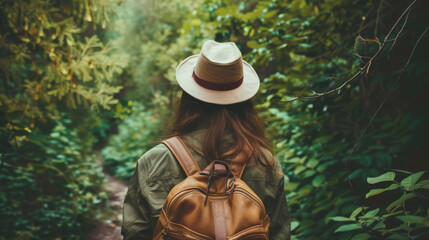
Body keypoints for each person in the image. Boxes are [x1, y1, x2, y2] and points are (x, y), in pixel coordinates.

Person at [121, 40, 291, 239]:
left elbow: (135, 235)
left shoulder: (154, 162)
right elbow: (280, 235)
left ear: (188, 97)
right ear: (244, 102)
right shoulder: (266, 163)